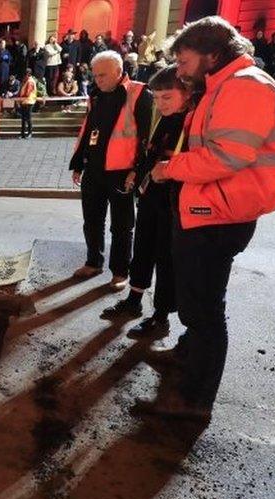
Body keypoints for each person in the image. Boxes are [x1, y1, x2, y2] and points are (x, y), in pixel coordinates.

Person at [140, 16, 275, 420]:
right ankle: (187, 358)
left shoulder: (246, 87)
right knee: (194, 299)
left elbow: (227, 156)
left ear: (211, 54)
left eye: (185, 62)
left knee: (205, 309)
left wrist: (170, 168)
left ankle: (193, 399)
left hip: (220, 214)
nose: (181, 70)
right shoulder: (219, 86)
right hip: (207, 208)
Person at [101, 65, 189, 339]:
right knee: (143, 249)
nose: (160, 103)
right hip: (152, 196)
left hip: (174, 201)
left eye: (167, 97)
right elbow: (150, 152)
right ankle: (135, 300)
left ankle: (160, 316)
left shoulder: (190, 122)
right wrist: (138, 176)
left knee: (165, 258)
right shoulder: (165, 118)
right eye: (157, 97)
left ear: (186, 94)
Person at [69, 50, 153, 289]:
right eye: (95, 76)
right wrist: (78, 164)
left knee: (122, 226)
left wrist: (137, 171)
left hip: (122, 173)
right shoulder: (95, 95)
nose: (98, 80)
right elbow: (88, 130)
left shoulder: (138, 93)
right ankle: (93, 262)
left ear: (118, 71)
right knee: (92, 221)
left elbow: (147, 138)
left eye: (103, 75)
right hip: (94, 170)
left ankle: (120, 272)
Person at [16, 69, 38, 138]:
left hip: (29, 101)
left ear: (28, 74)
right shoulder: (25, 81)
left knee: (28, 118)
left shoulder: (30, 81)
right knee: (23, 118)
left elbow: (27, 93)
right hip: (24, 101)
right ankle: (22, 133)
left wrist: (20, 98)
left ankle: (29, 133)